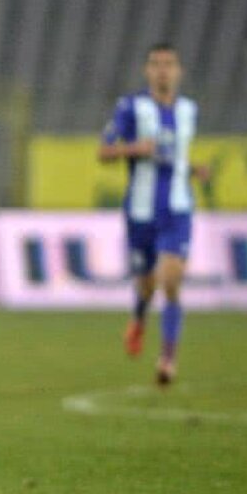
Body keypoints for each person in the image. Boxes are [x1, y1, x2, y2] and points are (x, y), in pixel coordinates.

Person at [98, 43, 206, 386]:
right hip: (140, 212)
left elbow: (175, 158)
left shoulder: (189, 110)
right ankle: (139, 319)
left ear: (178, 71)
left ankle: (167, 360)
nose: (162, 70)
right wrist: (135, 148)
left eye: (169, 64)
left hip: (178, 210)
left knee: (171, 280)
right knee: (146, 284)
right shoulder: (131, 107)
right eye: (156, 64)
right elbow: (104, 151)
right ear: (147, 71)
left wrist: (191, 169)